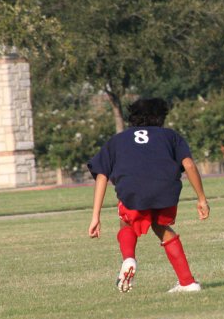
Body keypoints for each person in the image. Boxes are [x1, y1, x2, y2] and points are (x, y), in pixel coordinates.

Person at [88, 98, 211, 293]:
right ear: (161, 117)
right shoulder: (170, 136)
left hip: (132, 190)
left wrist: (96, 216)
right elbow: (188, 165)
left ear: (132, 118)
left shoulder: (118, 140)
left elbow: (101, 173)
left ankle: (129, 259)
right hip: (166, 189)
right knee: (161, 225)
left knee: (126, 222)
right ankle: (188, 283)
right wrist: (202, 199)